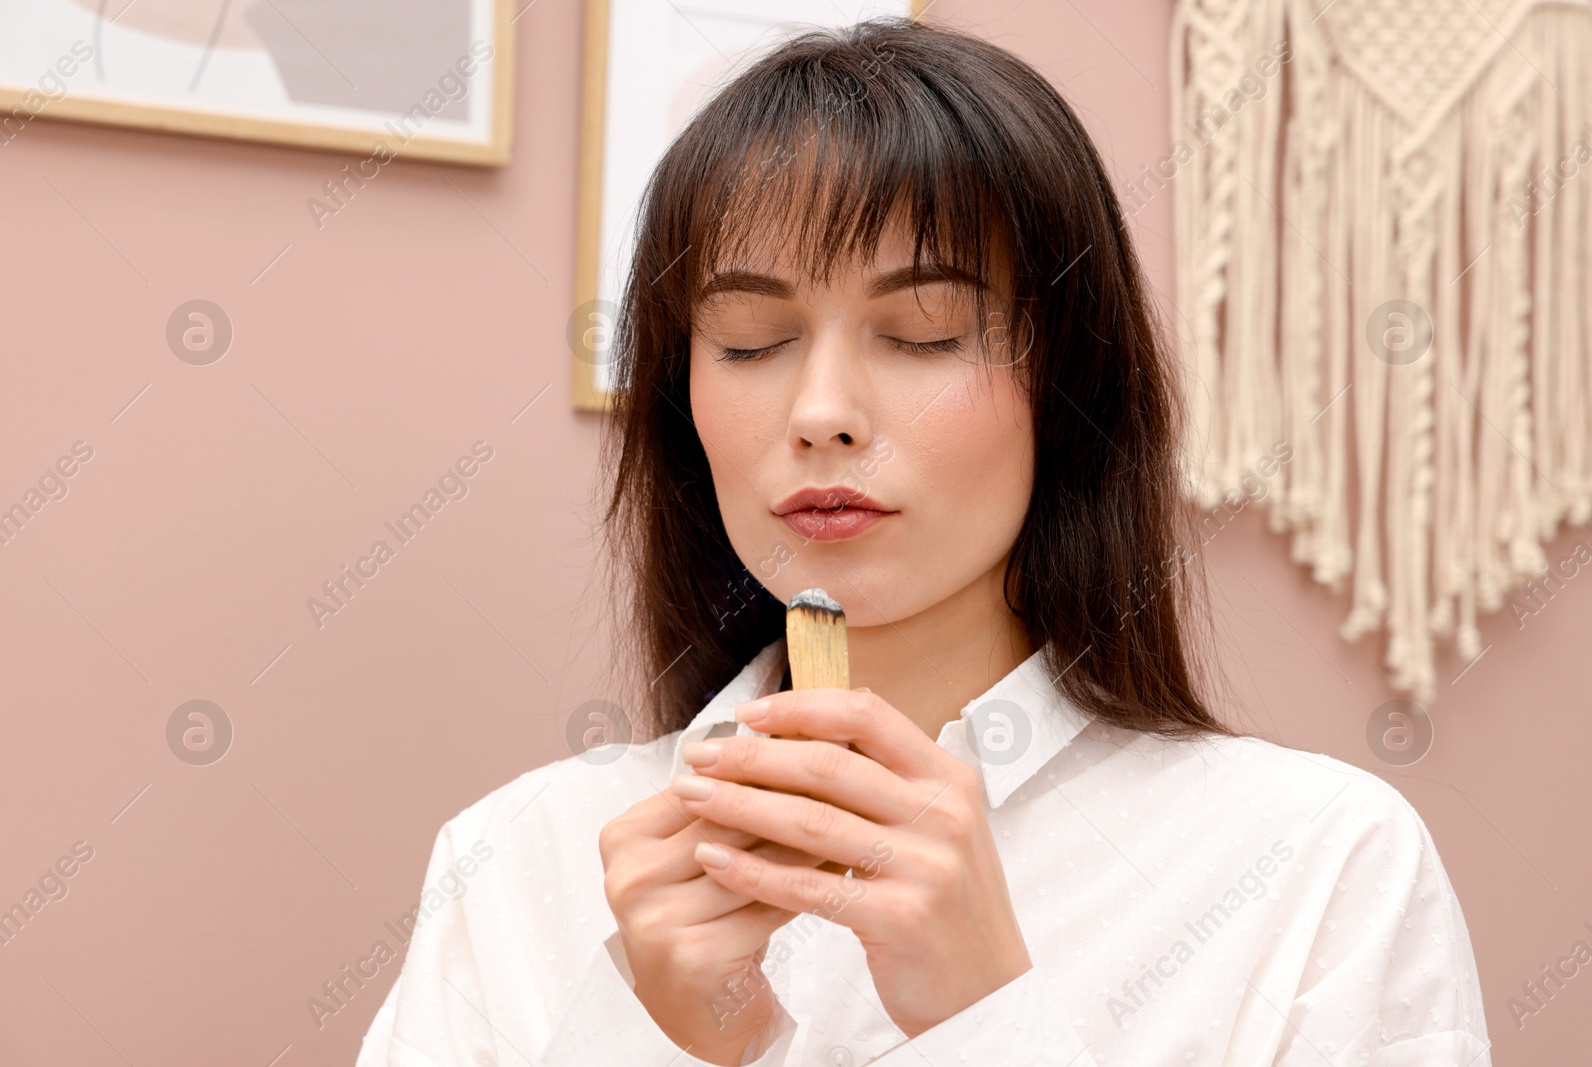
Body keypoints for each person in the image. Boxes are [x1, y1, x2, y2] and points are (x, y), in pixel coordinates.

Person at [355, 16, 1491, 1066]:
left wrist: (987, 1014)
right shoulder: (515, 859)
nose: (821, 411)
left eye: (922, 331)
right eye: (750, 342)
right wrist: (652, 1041)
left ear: (1068, 379)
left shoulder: (1319, 863)